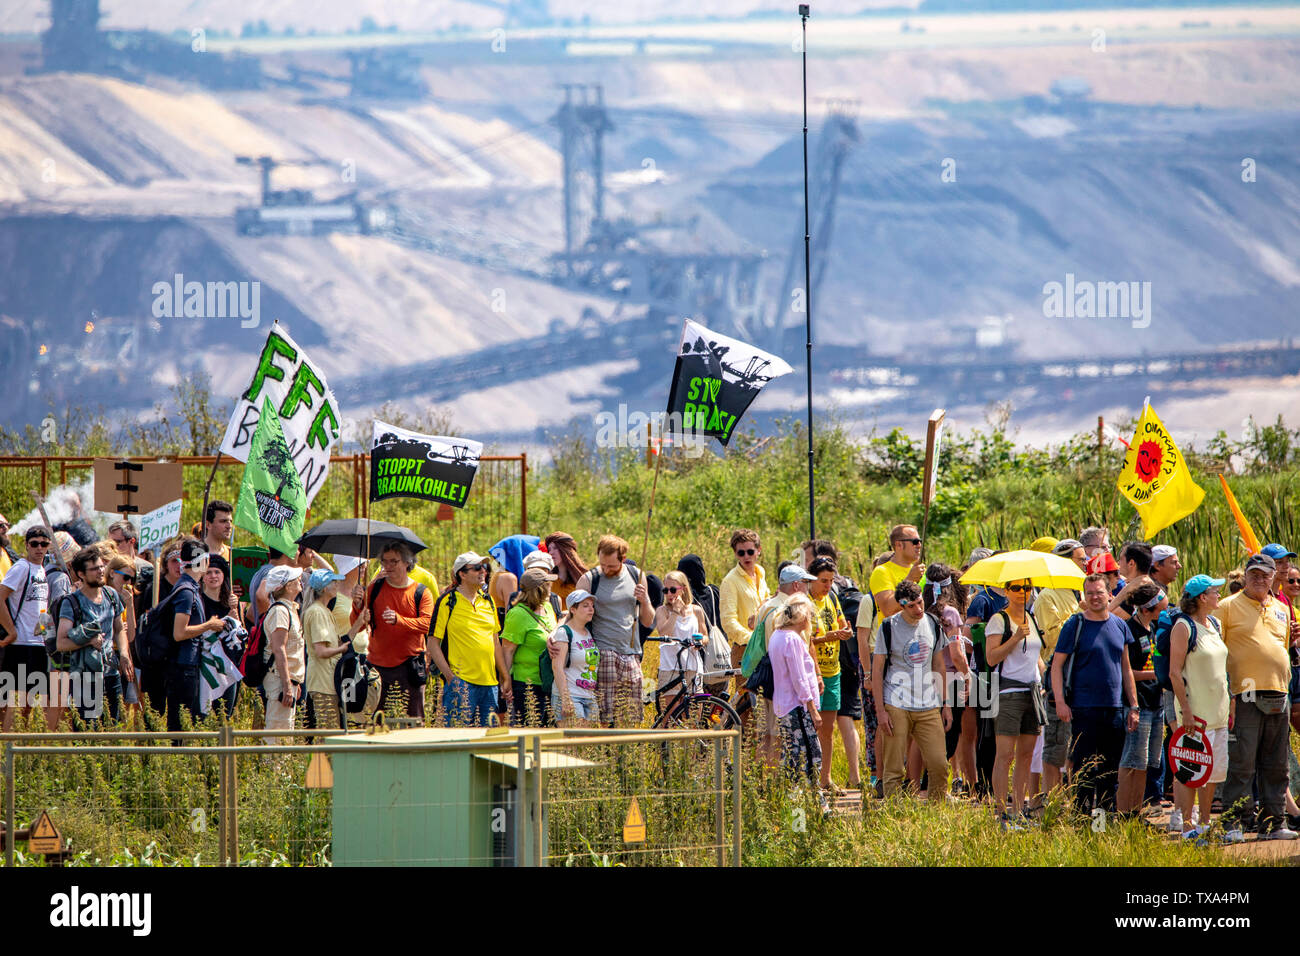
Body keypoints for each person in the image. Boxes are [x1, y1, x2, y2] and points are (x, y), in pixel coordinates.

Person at [1213, 553, 1297, 841]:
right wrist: (1227, 696)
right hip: (1243, 694)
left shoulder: (1282, 609)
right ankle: (1234, 822)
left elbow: (1282, 648)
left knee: (1277, 763)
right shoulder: (1226, 607)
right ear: (1245, 576)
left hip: (1278, 692)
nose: (1259, 579)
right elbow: (1215, 653)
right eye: (1254, 574)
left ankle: (1274, 823)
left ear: (1274, 577)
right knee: (1242, 762)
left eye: (1265, 574)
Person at [1051, 573, 1140, 813]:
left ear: (1109, 594)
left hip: (1114, 710)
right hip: (1083, 709)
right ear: (1084, 596)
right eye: (1089, 593)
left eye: (1099, 592)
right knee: (1084, 771)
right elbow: (1057, 665)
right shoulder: (1074, 625)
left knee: (1109, 774)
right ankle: (1082, 826)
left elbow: (1126, 667)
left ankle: (1101, 826)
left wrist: (1133, 706)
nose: (1094, 597)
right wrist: (1060, 701)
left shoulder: (1120, 625)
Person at [873, 580, 951, 802]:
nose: (918, 609)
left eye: (920, 603)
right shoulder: (888, 627)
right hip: (896, 701)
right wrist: (880, 711)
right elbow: (877, 670)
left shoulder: (933, 623)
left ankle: (936, 814)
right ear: (901, 605)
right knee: (894, 767)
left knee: (939, 764)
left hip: (928, 704)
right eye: (911, 606)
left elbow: (939, 665)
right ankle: (894, 814)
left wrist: (946, 704)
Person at [1168, 574, 1230, 842]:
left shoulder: (1214, 623)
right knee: (1189, 771)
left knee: (1214, 771)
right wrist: (1186, 711)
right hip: (1195, 714)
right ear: (1202, 597)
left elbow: (1221, 669)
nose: (1218, 595)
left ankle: (1204, 823)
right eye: (1214, 591)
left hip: (1219, 711)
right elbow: (1174, 673)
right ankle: (1186, 826)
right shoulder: (1183, 626)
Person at [984, 577, 1045, 826]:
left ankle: (1020, 808)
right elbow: (991, 658)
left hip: (1033, 692)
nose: (1023, 593)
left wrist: (1045, 679)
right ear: (1006, 591)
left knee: (1026, 754)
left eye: (1027, 588)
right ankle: (1000, 811)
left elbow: (1036, 658)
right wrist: (1015, 637)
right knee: (1005, 754)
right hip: (1008, 692)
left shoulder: (1032, 618)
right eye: (1017, 588)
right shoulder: (999, 619)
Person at [352, 542, 435, 721]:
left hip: (409, 667)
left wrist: (400, 620)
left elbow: (427, 624)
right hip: (377, 668)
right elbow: (357, 625)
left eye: (394, 562)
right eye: (384, 562)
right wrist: (358, 605)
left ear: (407, 562)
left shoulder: (421, 592)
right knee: (376, 723)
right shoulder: (375, 588)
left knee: (413, 722)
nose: (387, 567)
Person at [429, 551, 509, 727]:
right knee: (458, 741)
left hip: (490, 685)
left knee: (486, 742)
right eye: (477, 568)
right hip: (461, 684)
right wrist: (450, 678)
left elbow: (495, 642)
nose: (483, 572)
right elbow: (432, 643)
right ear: (462, 574)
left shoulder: (488, 601)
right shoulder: (447, 601)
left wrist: (504, 677)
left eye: (485, 567)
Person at [581, 535, 654, 727]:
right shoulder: (590, 579)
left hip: (631, 653)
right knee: (606, 715)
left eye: (611, 566)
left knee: (632, 714)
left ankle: (626, 753)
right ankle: (605, 750)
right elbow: (574, 615)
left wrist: (645, 600)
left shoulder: (636, 575)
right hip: (603, 652)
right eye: (602, 564)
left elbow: (648, 620)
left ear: (623, 558)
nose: (605, 570)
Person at [54, 546, 127, 725]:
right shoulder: (71, 602)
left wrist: (124, 653)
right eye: (94, 569)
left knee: (113, 728)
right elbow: (61, 643)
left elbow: (119, 629)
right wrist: (88, 641)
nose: (101, 571)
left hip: (111, 673)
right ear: (81, 574)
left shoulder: (111, 595)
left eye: (102, 566)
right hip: (84, 676)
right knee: (87, 730)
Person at [1035, 539, 1086, 797]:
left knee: (1078, 746)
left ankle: (1074, 799)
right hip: (1059, 677)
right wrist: (1081, 617)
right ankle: (1052, 801)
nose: (1086, 563)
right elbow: (1052, 640)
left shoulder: (1083, 592)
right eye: (1081, 559)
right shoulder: (1047, 596)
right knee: (1057, 746)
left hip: (1084, 677)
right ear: (1065, 562)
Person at [165, 540, 226, 733]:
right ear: (205, 561)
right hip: (182, 667)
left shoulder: (189, 586)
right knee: (181, 724)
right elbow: (179, 632)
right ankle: (179, 759)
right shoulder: (187, 592)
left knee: (185, 722)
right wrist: (209, 625)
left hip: (186, 664)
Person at [925, 563, 974, 796]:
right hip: (950, 679)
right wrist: (967, 676)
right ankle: (938, 787)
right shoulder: (950, 613)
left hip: (925, 680)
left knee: (927, 734)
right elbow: (956, 653)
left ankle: (922, 786)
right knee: (949, 734)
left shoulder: (921, 609)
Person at [768, 594, 824, 790]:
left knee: (791, 755)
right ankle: (812, 802)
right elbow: (799, 678)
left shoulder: (777, 635)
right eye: (809, 614)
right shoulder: (792, 639)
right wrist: (813, 710)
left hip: (784, 705)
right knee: (809, 756)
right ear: (801, 615)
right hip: (797, 707)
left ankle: (794, 805)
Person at [1117, 582, 1164, 815]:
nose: (1162, 610)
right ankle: (1124, 812)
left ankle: (1136, 812)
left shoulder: (1152, 628)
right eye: (1158, 606)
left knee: (1146, 762)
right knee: (1131, 762)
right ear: (1147, 609)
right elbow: (1125, 671)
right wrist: (1155, 673)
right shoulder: (1129, 630)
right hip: (1138, 704)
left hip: (1156, 703)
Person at [0, 527, 53, 732]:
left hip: (38, 644)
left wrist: (47, 636)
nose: (39, 548)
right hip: (20, 644)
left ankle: (19, 752)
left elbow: (40, 610)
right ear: (26, 545)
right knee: (16, 702)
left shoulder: (43, 570)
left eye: (44, 544)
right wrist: (11, 631)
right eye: (34, 544)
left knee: (31, 703)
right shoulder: (22, 567)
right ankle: (7, 754)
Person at [807, 556, 852, 792]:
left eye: (831, 580)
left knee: (828, 729)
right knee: (811, 727)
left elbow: (841, 622)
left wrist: (846, 630)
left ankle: (826, 778)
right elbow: (804, 639)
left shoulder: (832, 597)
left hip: (833, 670)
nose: (827, 585)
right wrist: (831, 637)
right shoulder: (804, 602)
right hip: (813, 672)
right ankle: (810, 780)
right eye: (823, 581)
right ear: (811, 579)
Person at [303, 568, 361, 732]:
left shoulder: (326, 611)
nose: (337, 585)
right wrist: (341, 649)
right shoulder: (317, 612)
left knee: (333, 729)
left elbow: (339, 643)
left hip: (330, 681)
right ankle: (321, 759)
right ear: (324, 588)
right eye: (333, 582)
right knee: (328, 732)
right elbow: (321, 651)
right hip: (322, 683)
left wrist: (359, 622)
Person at [501, 566, 559, 725]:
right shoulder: (518, 614)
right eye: (548, 584)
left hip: (549, 682)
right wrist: (506, 681)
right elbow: (507, 650)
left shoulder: (547, 607)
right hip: (527, 685)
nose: (551, 587)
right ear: (539, 589)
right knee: (530, 731)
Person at [719, 529, 771, 703]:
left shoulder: (760, 573)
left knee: (765, 705)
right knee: (747, 707)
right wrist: (753, 640)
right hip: (744, 649)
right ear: (735, 554)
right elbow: (728, 622)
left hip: (766, 646)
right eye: (741, 553)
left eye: (750, 551)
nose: (746, 557)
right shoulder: (730, 581)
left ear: (759, 550)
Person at [652, 569, 711, 712]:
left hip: (693, 666)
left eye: (673, 590)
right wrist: (675, 612)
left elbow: (705, 636)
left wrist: (700, 642)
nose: (669, 594)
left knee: (695, 713)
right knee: (671, 715)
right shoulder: (663, 611)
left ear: (683, 589)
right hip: (671, 666)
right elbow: (664, 632)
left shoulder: (696, 610)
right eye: (665, 590)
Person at [263, 565, 306, 738]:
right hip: (279, 681)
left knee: (285, 731)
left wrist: (294, 682)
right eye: (296, 579)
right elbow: (279, 648)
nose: (300, 581)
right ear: (287, 586)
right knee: (277, 733)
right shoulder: (280, 611)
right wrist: (287, 685)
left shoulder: (289, 608)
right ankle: (272, 766)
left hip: (287, 680)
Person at [199, 553, 242, 717]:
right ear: (202, 577)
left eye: (217, 572)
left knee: (225, 717)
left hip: (227, 667)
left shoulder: (230, 602)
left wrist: (234, 612)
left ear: (224, 576)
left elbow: (239, 634)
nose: (213, 576)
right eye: (208, 572)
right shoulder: (198, 600)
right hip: (205, 666)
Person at [549, 590, 600, 725]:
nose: (591, 609)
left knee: (587, 744)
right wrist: (566, 699)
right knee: (571, 744)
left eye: (592, 605)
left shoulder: (589, 632)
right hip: (570, 695)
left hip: (589, 695)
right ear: (573, 609)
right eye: (585, 605)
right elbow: (557, 667)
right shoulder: (564, 632)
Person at [677, 554, 724, 695]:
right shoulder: (713, 591)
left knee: (698, 704)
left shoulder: (689, 600)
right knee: (718, 706)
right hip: (720, 657)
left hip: (700, 659)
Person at [105, 552, 142, 723]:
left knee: (119, 710)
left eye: (132, 580)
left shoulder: (125, 598)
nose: (128, 583)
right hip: (105, 658)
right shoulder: (102, 593)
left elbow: (131, 635)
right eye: (126, 577)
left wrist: (130, 604)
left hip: (121, 657)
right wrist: (117, 630)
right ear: (112, 573)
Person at [543, 532, 588, 603]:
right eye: (549, 549)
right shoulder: (547, 578)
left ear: (565, 550)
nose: (551, 552)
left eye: (555, 548)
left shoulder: (584, 579)